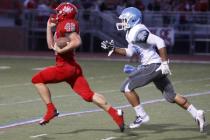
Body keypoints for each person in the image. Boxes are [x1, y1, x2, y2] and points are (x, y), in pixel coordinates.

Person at [101, 7, 206, 132]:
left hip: (153, 65)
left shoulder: (137, 30)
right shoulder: (131, 32)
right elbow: (129, 52)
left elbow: (159, 41)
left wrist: (165, 62)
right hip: (153, 66)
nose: (122, 22)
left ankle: (141, 115)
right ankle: (197, 113)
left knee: (126, 87)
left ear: (133, 20)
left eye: (125, 20)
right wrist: (114, 48)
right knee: (171, 96)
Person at [31, 2, 124, 132]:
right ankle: (116, 114)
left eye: (59, 12)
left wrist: (62, 51)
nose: (57, 14)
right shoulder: (61, 26)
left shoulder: (67, 24)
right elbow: (51, 46)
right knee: (88, 95)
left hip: (65, 67)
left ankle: (51, 109)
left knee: (36, 79)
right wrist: (48, 27)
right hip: (73, 68)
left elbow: (77, 41)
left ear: (65, 13)